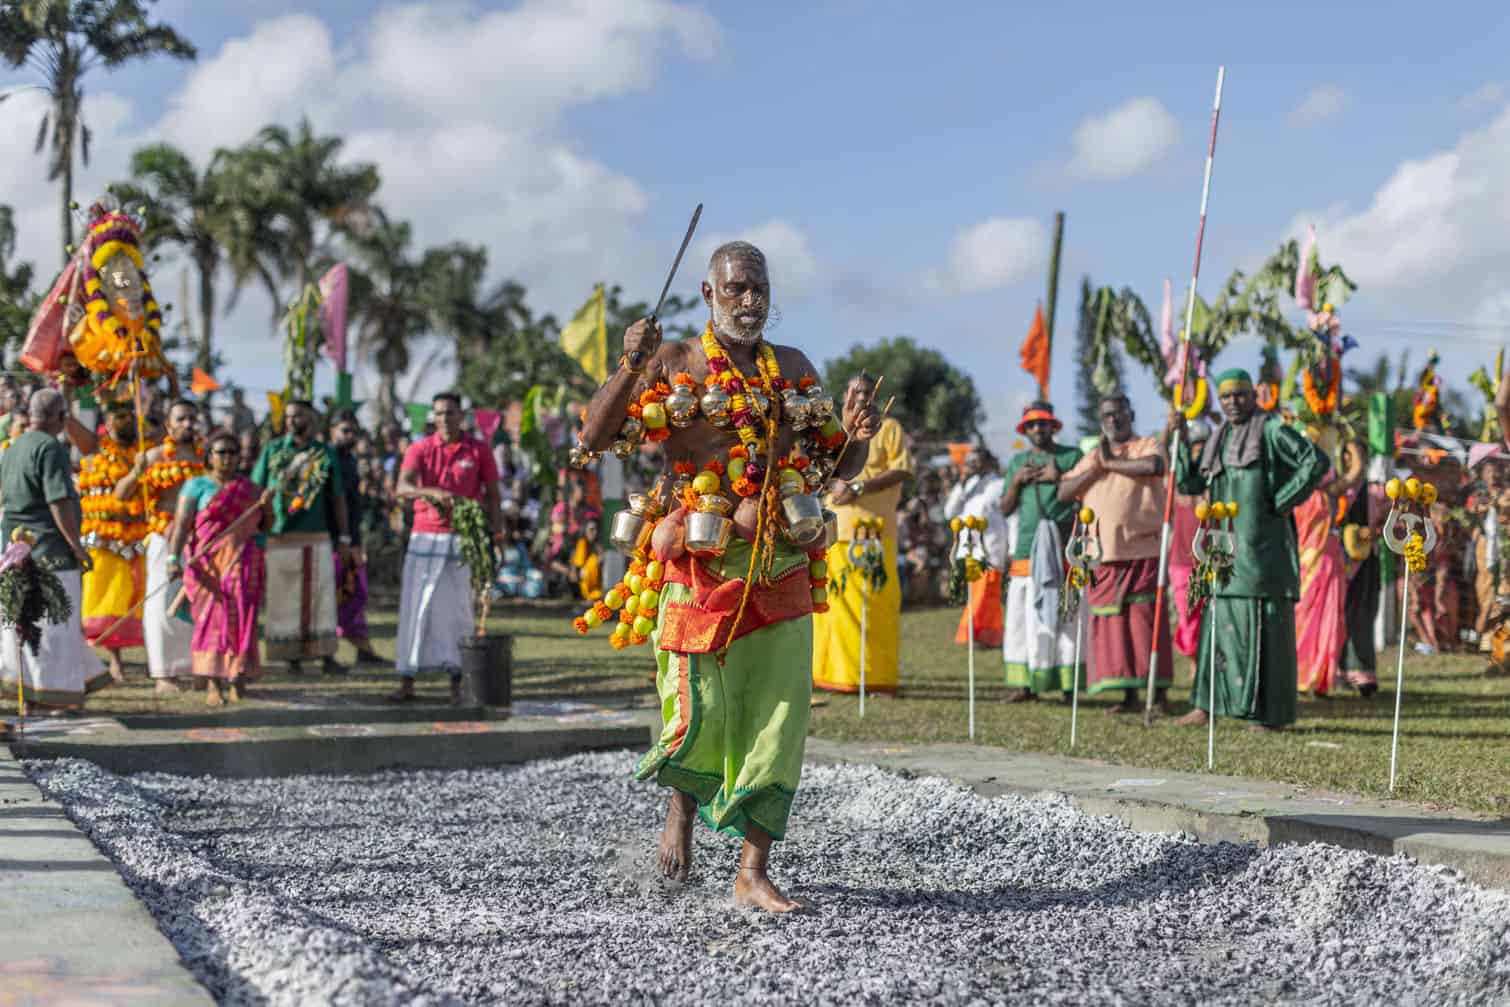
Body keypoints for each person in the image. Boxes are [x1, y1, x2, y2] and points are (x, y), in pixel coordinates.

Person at [578, 240, 881, 913]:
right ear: (708, 292)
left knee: (780, 715)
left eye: (760, 288)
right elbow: (594, 437)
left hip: (780, 558)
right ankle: (681, 812)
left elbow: (827, 468)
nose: (751, 300)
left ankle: (752, 869)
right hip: (700, 556)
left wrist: (857, 437)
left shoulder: (794, 367)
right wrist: (630, 363)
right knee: (703, 706)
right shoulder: (672, 361)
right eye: (737, 287)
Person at [1172, 369, 1328, 731]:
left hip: (1262, 554)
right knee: (1216, 628)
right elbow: (1190, 481)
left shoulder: (1271, 431)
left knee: (1265, 629)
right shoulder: (1217, 437)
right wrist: (1179, 440)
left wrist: (1281, 501)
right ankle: (1205, 706)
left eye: (1239, 395)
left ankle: (1268, 714)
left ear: (1253, 397)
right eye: (1226, 397)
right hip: (1222, 550)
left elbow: (1315, 461)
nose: (1232, 402)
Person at [1056, 394, 1175, 713]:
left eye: (1119, 414)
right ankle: (1130, 696)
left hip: (1143, 548)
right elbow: (1065, 491)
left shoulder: (1145, 445)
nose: (1113, 420)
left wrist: (1112, 464)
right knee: (1115, 626)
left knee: (1146, 623)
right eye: (1107, 415)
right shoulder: (1095, 455)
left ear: (1131, 414)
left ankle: (1158, 695)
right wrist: (1098, 467)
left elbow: (1155, 466)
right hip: (1103, 554)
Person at [0, 389, 108, 712]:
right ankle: (52, 697)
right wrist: (77, 547)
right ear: (59, 418)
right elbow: (58, 501)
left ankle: (31, 694)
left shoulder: (13, 446)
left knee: (25, 622)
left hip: (15, 549)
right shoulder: (50, 447)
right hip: (50, 550)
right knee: (55, 625)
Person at [389, 393, 501, 704]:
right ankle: (407, 679)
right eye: (439, 414)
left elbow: (492, 495)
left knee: (459, 613)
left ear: (461, 415)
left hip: (464, 538)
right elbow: (402, 488)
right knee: (416, 608)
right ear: (433, 417)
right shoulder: (419, 448)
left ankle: (458, 681)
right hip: (424, 537)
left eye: (450, 413)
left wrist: (497, 534)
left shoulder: (478, 450)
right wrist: (430, 492)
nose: (444, 419)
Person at [812, 374, 912, 695]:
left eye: (868, 392)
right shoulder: (831, 430)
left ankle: (873, 678)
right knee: (831, 607)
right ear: (844, 394)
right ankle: (831, 677)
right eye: (855, 391)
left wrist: (857, 487)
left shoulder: (889, 428)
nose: (861, 397)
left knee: (874, 609)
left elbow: (901, 470)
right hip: (831, 531)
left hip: (874, 534)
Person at [168, 432, 272, 705]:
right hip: (207, 566)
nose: (226, 458)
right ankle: (213, 683)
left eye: (232, 452)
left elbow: (266, 526)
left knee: (242, 621)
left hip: (243, 562)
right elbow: (182, 525)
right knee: (212, 623)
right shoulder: (196, 487)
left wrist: (268, 505)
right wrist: (172, 559)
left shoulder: (250, 489)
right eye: (220, 452)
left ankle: (237, 677)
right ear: (209, 456)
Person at [250, 400, 352, 675]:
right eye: (289, 416)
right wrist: (255, 531)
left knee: (322, 597)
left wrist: (344, 538)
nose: (292, 421)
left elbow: (338, 497)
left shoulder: (324, 453)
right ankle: (289, 654)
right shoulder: (272, 451)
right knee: (284, 598)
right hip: (279, 534)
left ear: (312, 419)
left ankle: (325, 654)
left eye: (298, 416)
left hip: (316, 533)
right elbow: (255, 491)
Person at [114, 399, 204, 694]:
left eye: (192, 418)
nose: (188, 424)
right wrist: (136, 471)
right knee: (161, 606)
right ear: (168, 425)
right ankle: (165, 673)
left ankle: (198, 667)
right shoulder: (153, 457)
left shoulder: (207, 458)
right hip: (163, 540)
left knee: (197, 604)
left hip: (201, 543)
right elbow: (122, 495)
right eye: (182, 418)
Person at [999, 401, 1084, 702]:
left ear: (1053, 426)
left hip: (1062, 545)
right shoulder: (1017, 462)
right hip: (1025, 548)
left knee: (1066, 616)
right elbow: (1005, 508)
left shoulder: (1072, 456)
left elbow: (1087, 491)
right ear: (1025, 429)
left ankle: (1067, 685)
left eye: (1043, 423)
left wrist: (1058, 477)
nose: (1038, 429)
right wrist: (1018, 482)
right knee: (1023, 619)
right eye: (1032, 425)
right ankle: (1025, 685)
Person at [65, 395, 147, 683]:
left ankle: (129, 663)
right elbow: (67, 421)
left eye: (128, 415)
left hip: (136, 540)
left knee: (129, 602)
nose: (123, 421)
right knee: (102, 604)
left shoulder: (145, 453)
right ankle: (113, 663)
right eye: (117, 416)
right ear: (107, 422)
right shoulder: (95, 449)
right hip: (101, 540)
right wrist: (66, 390)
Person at [1292, 427, 1358, 698]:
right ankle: (1301, 676)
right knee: (1303, 620)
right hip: (1306, 561)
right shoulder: (1294, 492)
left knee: (1330, 621)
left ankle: (1321, 679)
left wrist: (1353, 451)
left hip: (1328, 558)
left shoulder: (1323, 489)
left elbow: (1349, 480)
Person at [329, 410, 381, 665]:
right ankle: (332, 653)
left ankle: (363, 649)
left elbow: (353, 504)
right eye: (344, 430)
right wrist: (345, 540)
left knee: (356, 593)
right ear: (332, 431)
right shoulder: (328, 460)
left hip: (351, 539)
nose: (349, 436)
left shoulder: (349, 460)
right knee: (343, 594)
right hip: (335, 541)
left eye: (353, 432)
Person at [943, 447, 1006, 648]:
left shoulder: (999, 485)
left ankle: (972, 634)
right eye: (969, 461)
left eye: (975, 461)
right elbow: (949, 512)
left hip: (991, 549)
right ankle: (985, 636)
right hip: (968, 549)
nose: (971, 465)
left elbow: (1007, 517)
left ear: (987, 462)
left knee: (987, 596)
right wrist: (961, 484)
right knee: (978, 595)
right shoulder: (967, 485)